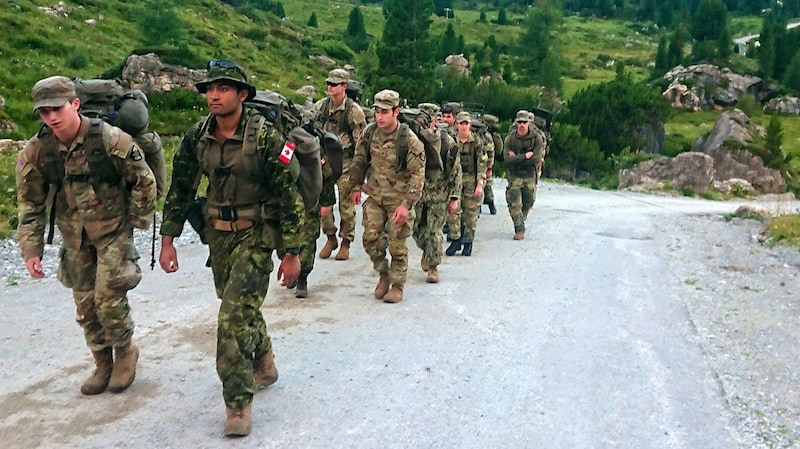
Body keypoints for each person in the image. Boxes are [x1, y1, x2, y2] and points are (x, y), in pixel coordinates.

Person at [158, 60, 305, 437]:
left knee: (231, 317)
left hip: (256, 234)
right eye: (209, 88)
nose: (213, 95)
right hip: (218, 236)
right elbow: (181, 188)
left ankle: (237, 403)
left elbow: (289, 197)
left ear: (242, 95)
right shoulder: (197, 137)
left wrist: (292, 253)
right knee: (238, 306)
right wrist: (168, 239)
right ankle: (264, 359)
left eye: (223, 88)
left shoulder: (267, 138)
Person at [16, 76, 157, 396]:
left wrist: (134, 221)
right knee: (85, 306)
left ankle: (124, 353)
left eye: (57, 108)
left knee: (108, 299)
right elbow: (30, 204)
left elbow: (143, 180)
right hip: (74, 236)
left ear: (75, 104)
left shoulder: (109, 139)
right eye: (44, 112)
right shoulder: (39, 150)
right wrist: (31, 249)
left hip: (112, 231)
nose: (51, 117)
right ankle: (102, 361)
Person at [347, 89, 425, 303]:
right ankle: (384, 274)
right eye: (377, 111)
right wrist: (355, 186)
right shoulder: (370, 133)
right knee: (370, 239)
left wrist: (406, 205)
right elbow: (359, 160)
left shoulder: (409, 141)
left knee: (396, 244)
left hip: (399, 201)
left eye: (384, 112)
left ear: (396, 112)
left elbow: (417, 175)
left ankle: (397, 285)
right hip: (375, 196)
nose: (379, 116)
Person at [312, 68, 367, 261]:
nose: (330, 87)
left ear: (344, 86)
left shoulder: (354, 112)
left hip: (346, 163)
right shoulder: (321, 107)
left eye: (334, 84)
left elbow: (361, 147)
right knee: (323, 205)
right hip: (325, 163)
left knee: (346, 206)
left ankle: (345, 242)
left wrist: (359, 181)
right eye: (328, 83)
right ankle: (330, 237)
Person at [412, 110, 461, 283]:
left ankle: (433, 267)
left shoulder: (446, 141)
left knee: (434, 230)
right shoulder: (414, 140)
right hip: (418, 192)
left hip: (439, 194)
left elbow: (455, 170)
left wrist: (454, 197)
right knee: (416, 228)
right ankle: (427, 251)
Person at [445, 112, 487, 257]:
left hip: (471, 180)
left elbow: (482, 164)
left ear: (469, 125)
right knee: (453, 212)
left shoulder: (476, 141)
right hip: (455, 180)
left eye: (466, 124)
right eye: (461, 123)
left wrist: (480, 184)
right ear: (456, 124)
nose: (463, 127)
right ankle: (456, 239)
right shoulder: (452, 140)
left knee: (470, 214)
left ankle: (468, 243)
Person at [504, 110, 546, 240]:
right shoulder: (510, 138)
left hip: (530, 175)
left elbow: (536, 158)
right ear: (516, 123)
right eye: (520, 122)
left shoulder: (536, 138)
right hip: (515, 175)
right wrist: (524, 156)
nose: (522, 125)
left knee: (529, 201)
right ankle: (519, 229)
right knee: (514, 203)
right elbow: (507, 158)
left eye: (524, 122)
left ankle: (521, 218)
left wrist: (516, 157)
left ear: (529, 123)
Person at [482, 114, 503, 215]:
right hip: (482, 161)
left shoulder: (490, 136)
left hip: (486, 162)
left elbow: (496, 151)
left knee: (487, 185)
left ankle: (490, 203)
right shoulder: (488, 135)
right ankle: (489, 205)